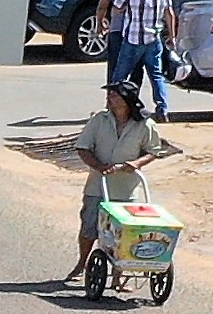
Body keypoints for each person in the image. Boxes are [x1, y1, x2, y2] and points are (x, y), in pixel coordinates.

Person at [71, 82, 170, 286]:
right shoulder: (99, 120)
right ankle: (82, 263)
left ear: (127, 101)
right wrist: (98, 166)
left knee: (124, 235)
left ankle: (118, 274)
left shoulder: (145, 125)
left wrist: (135, 164)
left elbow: (154, 151)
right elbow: (83, 147)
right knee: (89, 227)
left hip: (127, 190)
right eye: (110, 95)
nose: (110, 99)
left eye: (115, 96)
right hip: (98, 185)